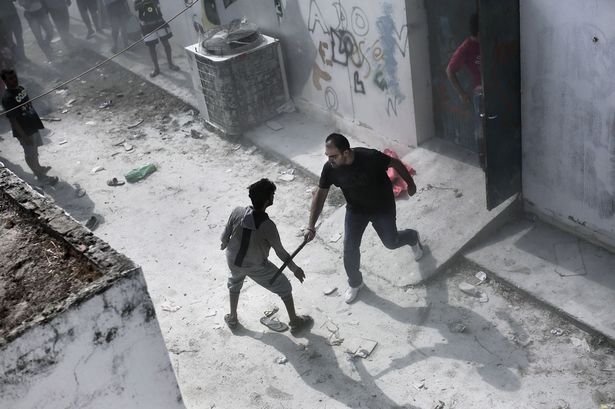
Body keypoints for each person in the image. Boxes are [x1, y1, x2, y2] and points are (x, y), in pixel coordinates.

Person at [305, 133, 423, 304]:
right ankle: (355, 283)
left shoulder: (370, 157)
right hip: (356, 210)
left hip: (382, 208)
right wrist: (311, 226)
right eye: (327, 156)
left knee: (391, 242)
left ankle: (412, 237)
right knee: (349, 248)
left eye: (333, 156)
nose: (330, 160)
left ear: (346, 152)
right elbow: (320, 194)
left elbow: (395, 163)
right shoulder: (330, 169)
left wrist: (410, 183)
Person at [220, 178, 312, 334]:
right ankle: (295, 321)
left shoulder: (237, 211)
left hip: (233, 260)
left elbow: (224, 237)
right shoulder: (268, 226)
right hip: (255, 265)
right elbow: (280, 252)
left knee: (234, 283)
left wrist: (224, 244)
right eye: (272, 194)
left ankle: (233, 317)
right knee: (284, 286)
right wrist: (294, 268)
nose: (273, 196)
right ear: (268, 199)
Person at [1, 69, 58, 185]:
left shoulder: (20, 89)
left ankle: (38, 167)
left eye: (15, 76)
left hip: (32, 125)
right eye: (11, 78)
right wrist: (24, 136)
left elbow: (28, 106)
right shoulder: (7, 98)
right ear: (5, 81)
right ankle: (40, 176)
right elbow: (13, 120)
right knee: (29, 154)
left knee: (34, 150)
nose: (14, 79)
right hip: (24, 130)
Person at [446, 13, 485, 167]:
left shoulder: (488, 41)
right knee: (481, 129)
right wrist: (461, 93)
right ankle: (484, 161)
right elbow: (449, 70)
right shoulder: (466, 48)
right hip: (480, 94)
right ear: (479, 33)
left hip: (496, 89)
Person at [134, 0, 179, 77]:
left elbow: (158, 5)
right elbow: (136, 7)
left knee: (166, 44)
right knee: (151, 48)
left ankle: (171, 64)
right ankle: (156, 68)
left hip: (159, 22)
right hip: (147, 26)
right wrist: (144, 2)